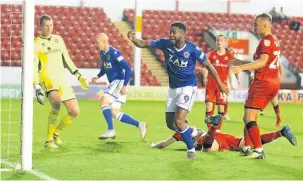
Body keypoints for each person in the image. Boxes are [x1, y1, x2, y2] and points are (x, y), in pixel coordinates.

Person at [127, 22, 229, 159]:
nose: (171, 35)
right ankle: (194, 132)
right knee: (171, 124)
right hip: (173, 88)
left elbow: (208, 65)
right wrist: (134, 40)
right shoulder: (165, 44)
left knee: (179, 121)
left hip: (188, 87)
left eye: (174, 32)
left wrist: (220, 83)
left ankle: (191, 150)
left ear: (182, 33)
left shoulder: (192, 49)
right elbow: (144, 43)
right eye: (170, 32)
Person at [33, 14, 89, 148]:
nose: (49, 28)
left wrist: (78, 75)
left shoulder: (58, 39)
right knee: (56, 101)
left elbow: (67, 59)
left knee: (74, 111)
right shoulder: (36, 44)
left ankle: (56, 133)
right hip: (47, 78)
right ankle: (48, 140)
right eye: (46, 25)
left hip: (61, 79)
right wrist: (36, 86)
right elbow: (34, 67)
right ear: (40, 27)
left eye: (51, 25)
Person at [231, 13, 281, 159]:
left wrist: (242, 68)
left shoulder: (265, 42)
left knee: (249, 117)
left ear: (265, 25)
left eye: (256, 25)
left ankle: (258, 150)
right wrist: (240, 63)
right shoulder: (275, 41)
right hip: (272, 82)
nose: (254, 27)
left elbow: (262, 62)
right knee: (248, 116)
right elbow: (262, 62)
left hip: (262, 82)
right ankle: (246, 147)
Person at [92, 33, 147, 140]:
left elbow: (127, 68)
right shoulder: (103, 53)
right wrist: (98, 76)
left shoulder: (114, 53)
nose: (96, 44)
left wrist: (125, 86)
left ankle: (111, 131)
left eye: (97, 42)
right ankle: (140, 124)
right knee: (114, 113)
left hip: (119, 82)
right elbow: (105, 66)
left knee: (103, 102)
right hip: (115, 83)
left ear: (104, 41)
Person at [150, 115, 297, 152]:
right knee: (249, 144)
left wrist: (154, 145)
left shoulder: (180, 133)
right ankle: (280, 133)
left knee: (207, 150)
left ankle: (213, 126)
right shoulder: (194, 127)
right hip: (224, 136)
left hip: (211, 139)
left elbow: (164, 144)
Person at [202, 35, 240, 129]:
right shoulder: (211, 54)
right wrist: (204, 77)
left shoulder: (229, 56)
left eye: (221, 40)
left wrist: (237, 79)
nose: (219, 42)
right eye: (217, 40)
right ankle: (210, 130)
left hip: (222, 85)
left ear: (225, 42)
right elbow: (206, 67)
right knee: (208, 107)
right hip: (211, 83)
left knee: (221, 108)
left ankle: (217, 131)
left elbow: (234, 69)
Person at [251, 59, 283, 127]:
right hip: (272, 82)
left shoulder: (266, 57)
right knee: (274, 101)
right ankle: (278, 118)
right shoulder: (274, 58)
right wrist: (281, 75)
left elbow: (256, 64)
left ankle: (278, 118)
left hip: (266, 82)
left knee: (257, 103)